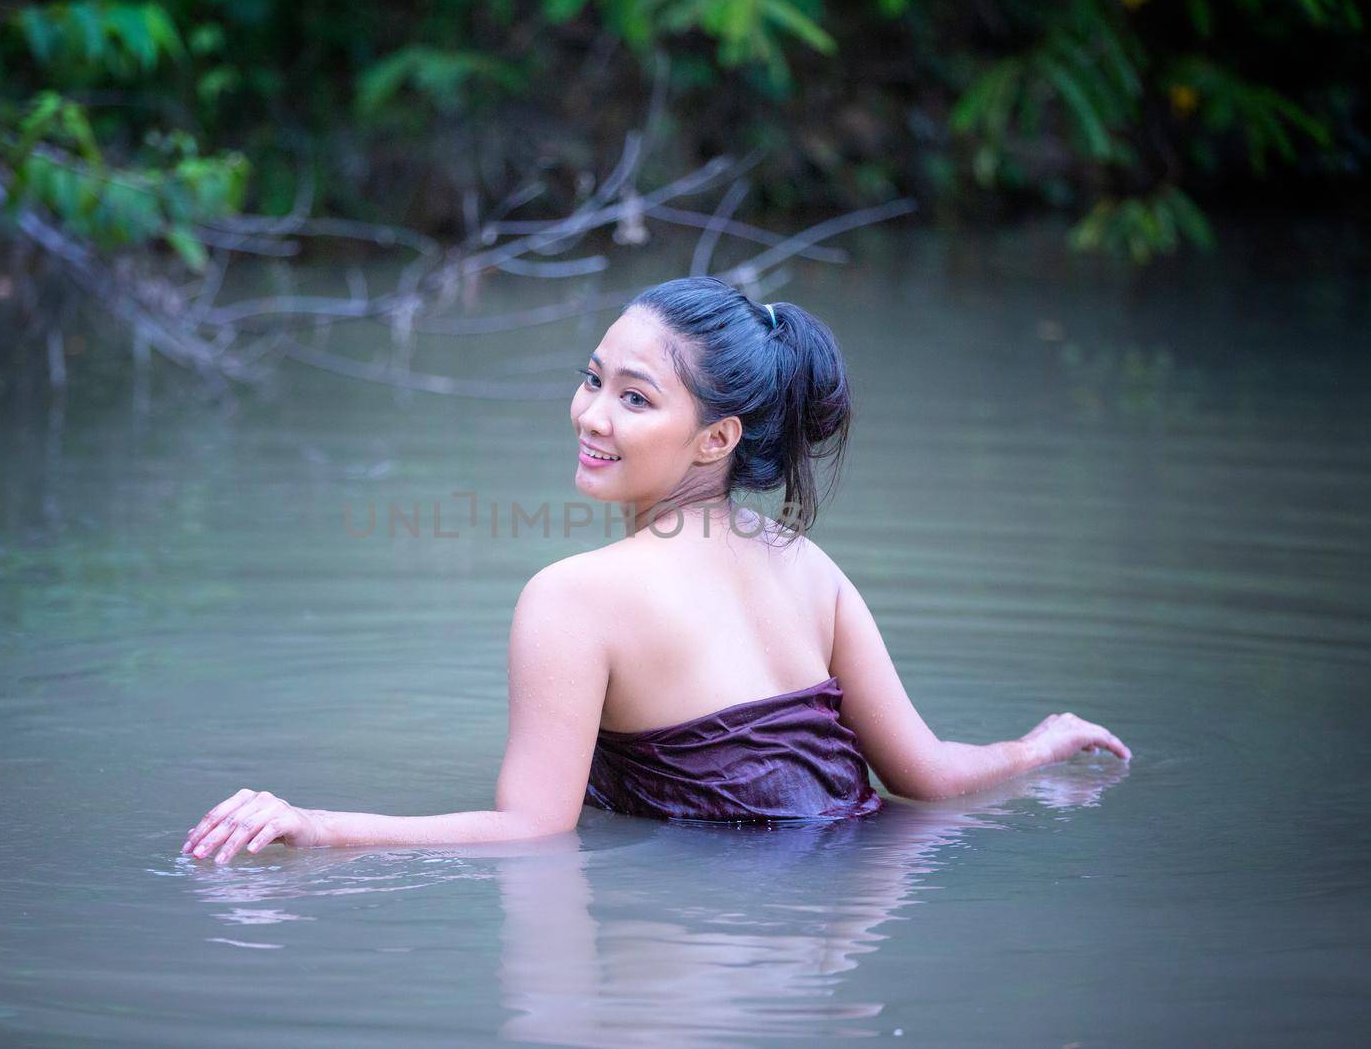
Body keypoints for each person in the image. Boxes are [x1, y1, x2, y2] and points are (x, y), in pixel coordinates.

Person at [183, 277, 1131, 863]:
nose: (593, 415)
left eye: (635, 398)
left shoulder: (573, 598)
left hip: (713, 931)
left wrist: (316, 824)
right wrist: (1035, 749)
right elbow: (925, 777)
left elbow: (532, 836)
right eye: (593, 378)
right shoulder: (807, 565)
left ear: (718, 435)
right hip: (839, 933)